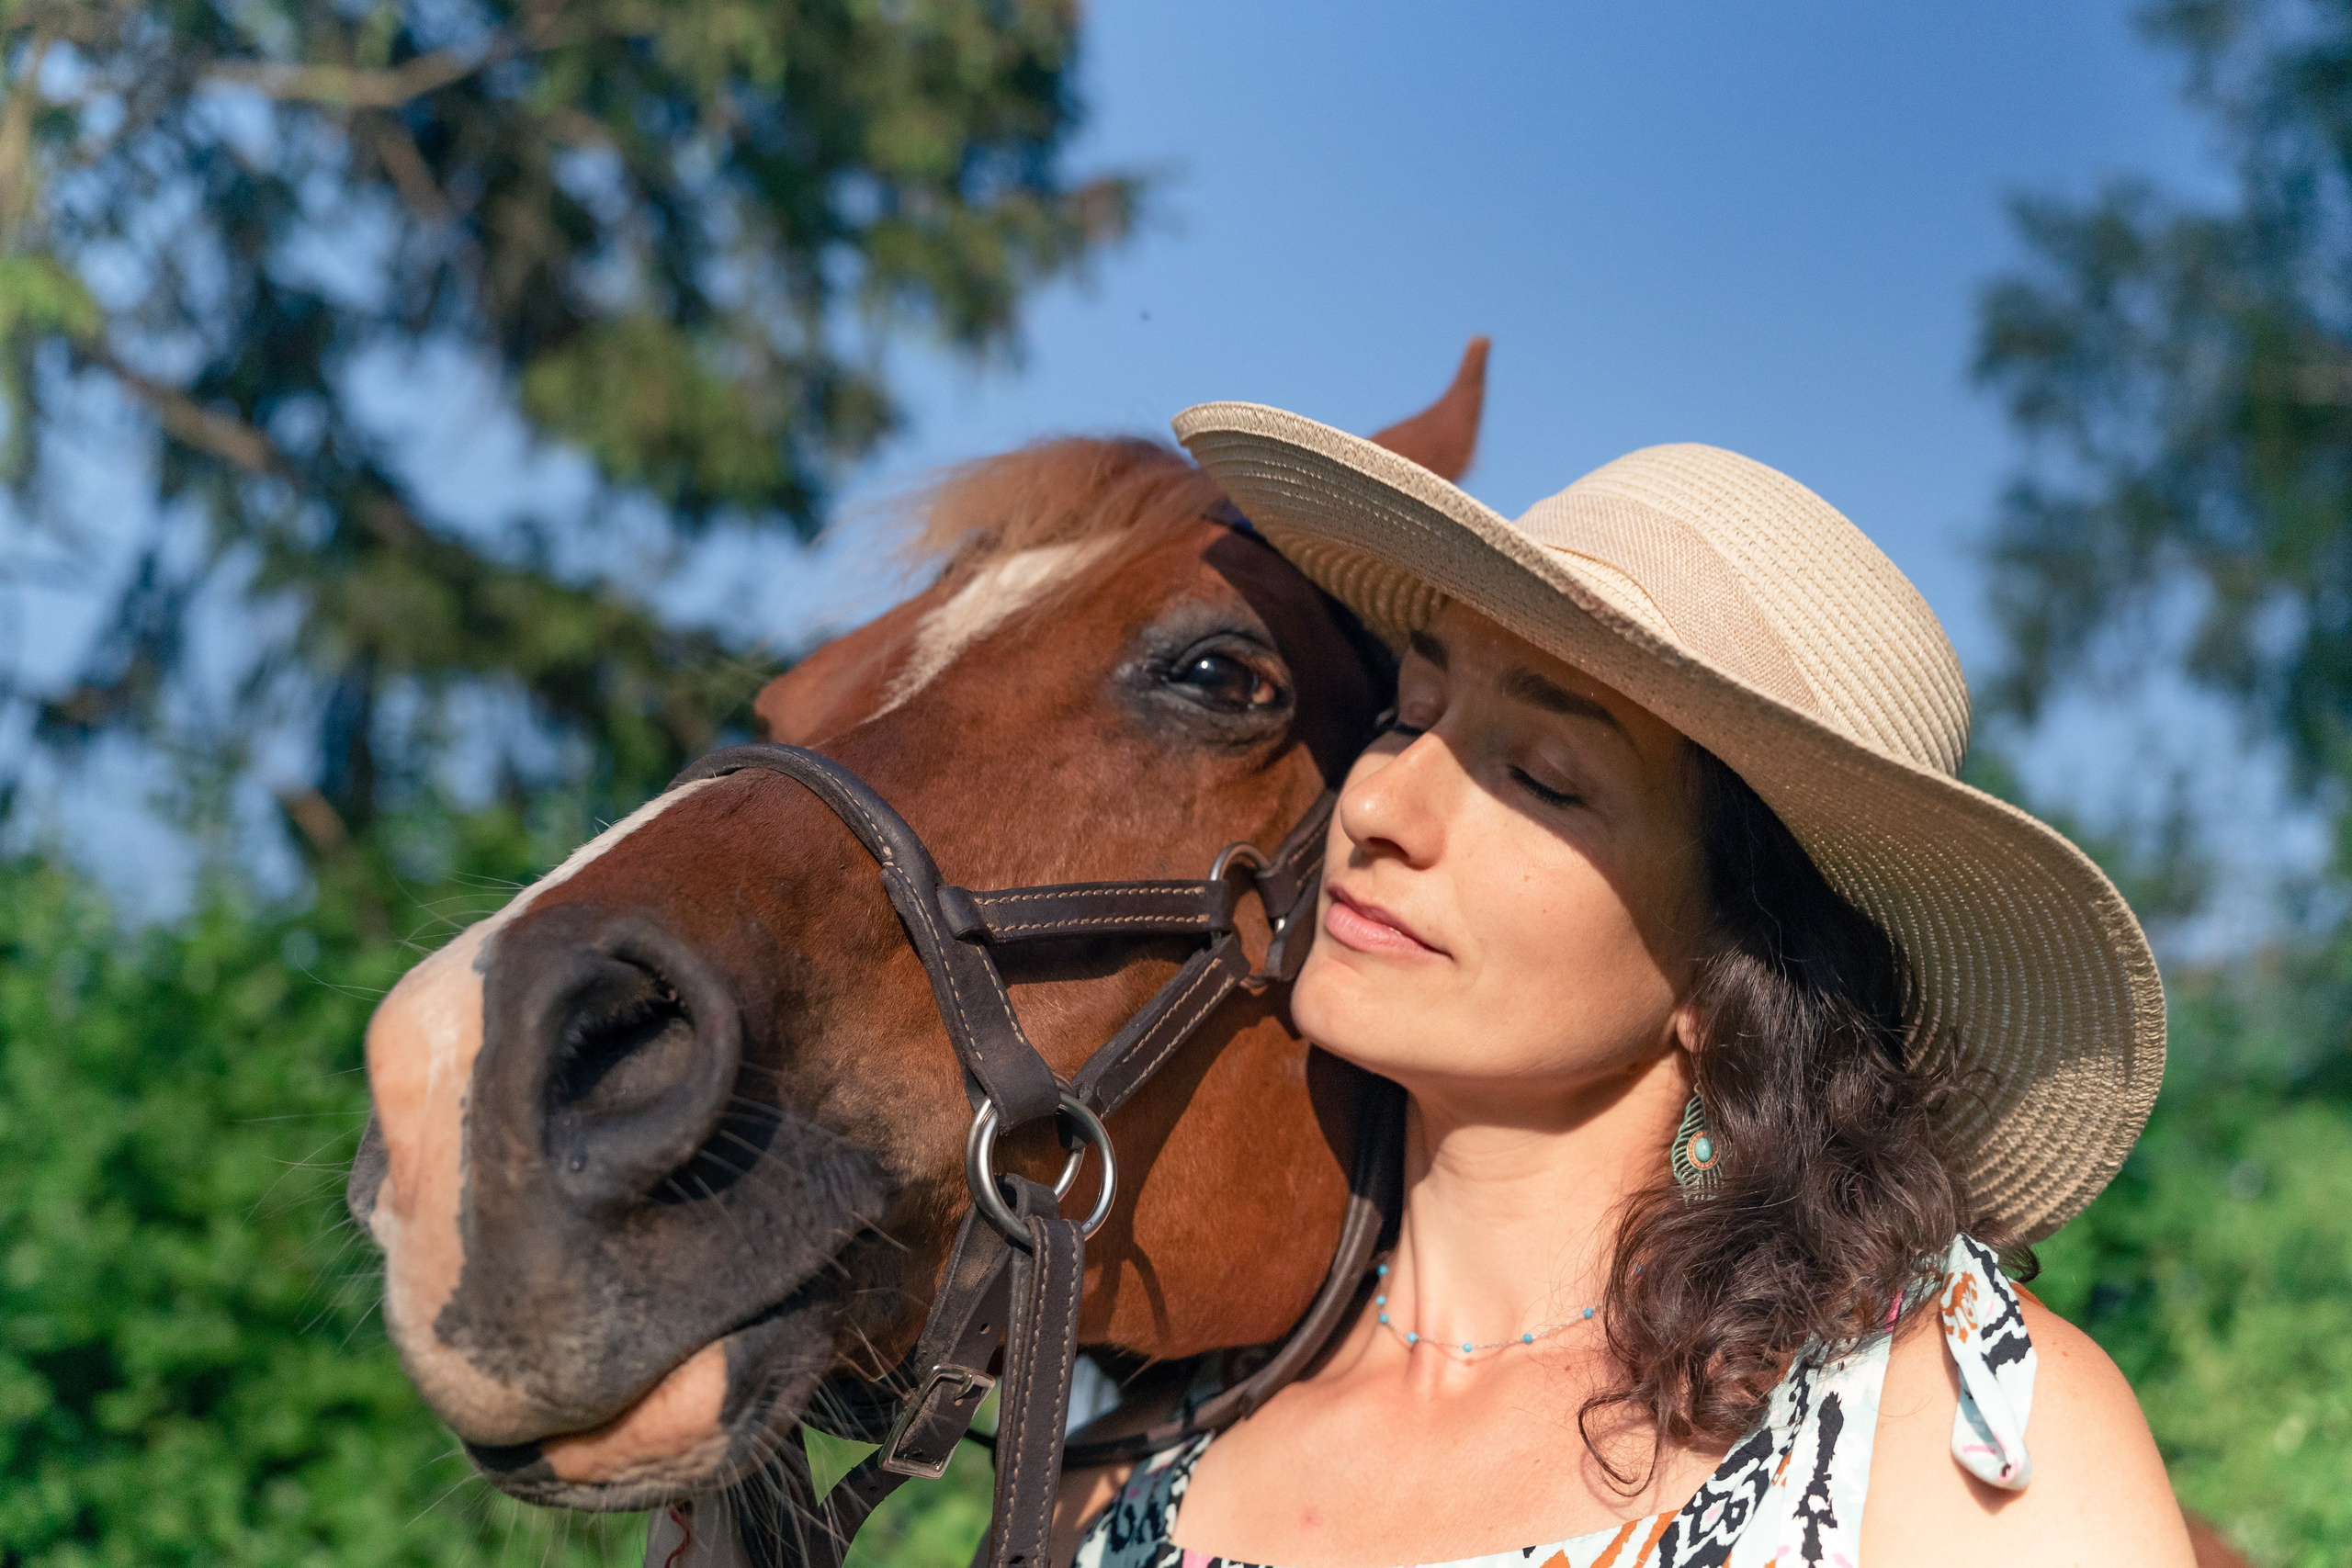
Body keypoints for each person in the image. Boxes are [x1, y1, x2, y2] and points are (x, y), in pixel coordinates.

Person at [1060, 411, 2193, 1568]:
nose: (1378, 805)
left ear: (1730, 970)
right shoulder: (1129, 1467)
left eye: (1541, 777)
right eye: (1410, 714)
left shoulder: (1949, 1435)